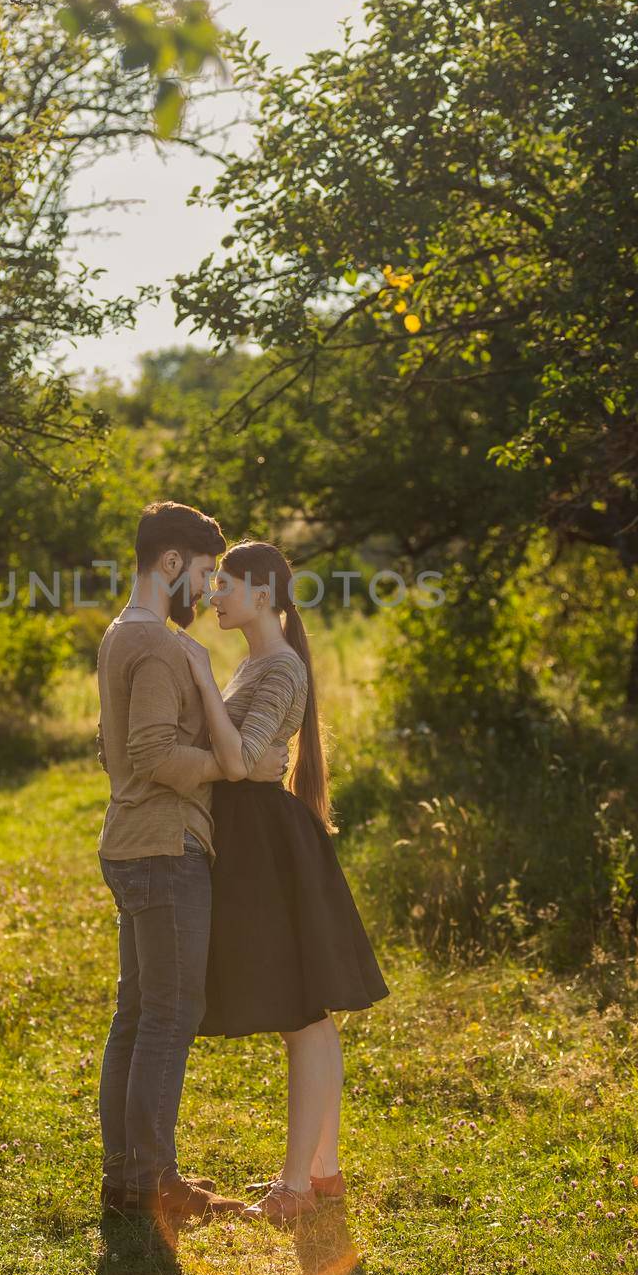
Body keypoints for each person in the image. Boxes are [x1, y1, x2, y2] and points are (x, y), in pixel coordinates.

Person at [175, 540, 390, 1227]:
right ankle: (321, 1174)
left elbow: (241, 760)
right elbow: (242, 757)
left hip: (270, 845)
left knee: (304, 1016)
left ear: (264, 592)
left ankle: (297, 1185)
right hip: (258, 842)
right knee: (307, 1016)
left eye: (226, 585)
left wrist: (205, 688)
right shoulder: (259, 662)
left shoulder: (279, 666)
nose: (214, 596)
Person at [94, 502, 291, 1226]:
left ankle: (128, 1178)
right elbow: (149, 750)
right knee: (169, 1016)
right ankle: (151, 1184)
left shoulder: (122, 634)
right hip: (164, 845)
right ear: (170, 564)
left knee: (139, 1014)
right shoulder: (160, 646)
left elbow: (110, 744)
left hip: (133, 840)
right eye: (205, 571)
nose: (209, 589)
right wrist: (235, 767)